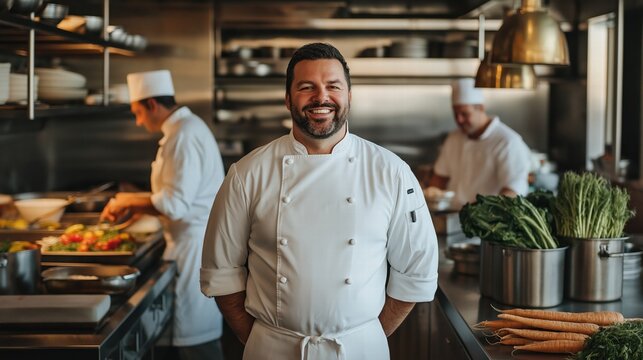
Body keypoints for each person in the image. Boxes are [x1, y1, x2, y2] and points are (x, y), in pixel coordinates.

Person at [200, 43, 439, 360]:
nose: (321, 97)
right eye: (306, 87)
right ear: (288, 98)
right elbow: (222, 272)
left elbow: (416, 271)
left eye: (333, 86)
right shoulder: (247, 174)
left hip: (359, 351)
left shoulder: (391, 172)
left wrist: (366, 335)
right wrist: (262, 341)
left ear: (349, 96)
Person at [100, 70, 226, 360]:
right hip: (190, 244)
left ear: (152, 105)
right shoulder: (184, 129)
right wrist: (137, 208)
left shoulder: (183, 135)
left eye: (138, 112)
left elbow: (175, 204)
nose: (138, 120)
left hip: (193, 250)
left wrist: (128, 200)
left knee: (196, 341)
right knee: (194, 338)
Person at [427, 78, 531, 207]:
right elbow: (439, 179)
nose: (459, 120)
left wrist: (483, 214)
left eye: (464, 114)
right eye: (456, 113)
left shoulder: (507, 142)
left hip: (487, 222)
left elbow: (513, 191)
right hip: (451, 216)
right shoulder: (454, 138)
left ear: (481, 108)